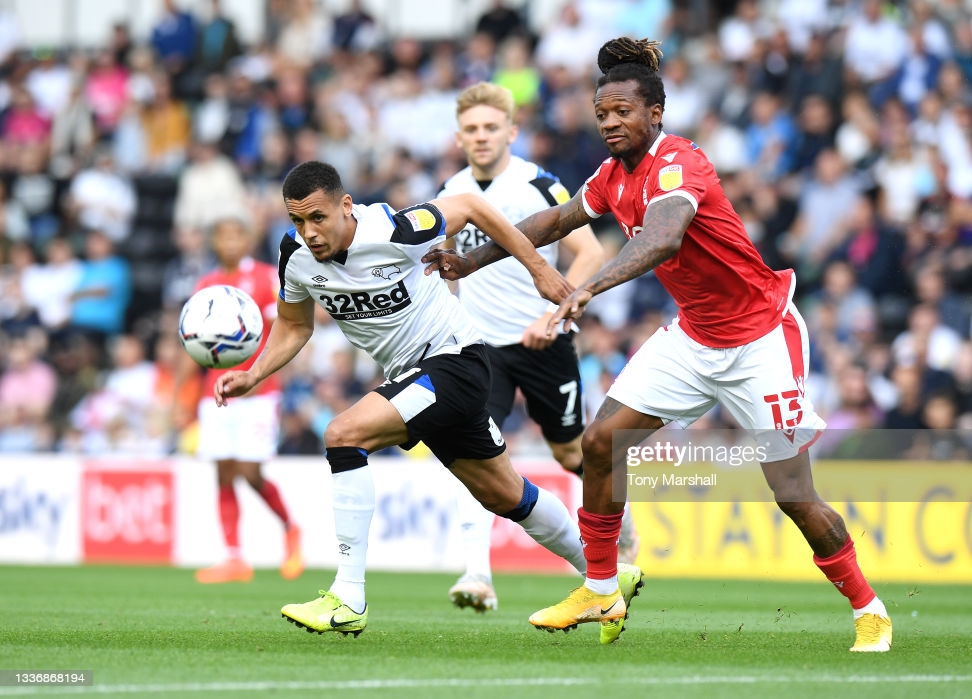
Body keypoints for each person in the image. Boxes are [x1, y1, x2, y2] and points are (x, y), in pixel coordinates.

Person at [423, 37, 892, 652]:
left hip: (761, 339)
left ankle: (869, 608)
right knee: (599, 442)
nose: (610, 123)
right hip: (695, 336)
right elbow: (552, 223)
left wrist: (586, 287)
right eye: (602, 115)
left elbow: (665, 239)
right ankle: (600, 587)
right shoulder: (612, 176)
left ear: (655, 114)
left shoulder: (679, 163)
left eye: (622, 112)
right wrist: (471, 261)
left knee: (794, 495)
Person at [213, 160, 643, 642]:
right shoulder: (294, 255)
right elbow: (295, 326)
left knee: (343, 435)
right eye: (297, 221)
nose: (308, 232)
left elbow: (473, 206)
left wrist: (540, 269)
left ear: (346, 207)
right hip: (418, 378)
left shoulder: (393, 229)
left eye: (318, 218)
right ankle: (607, 575)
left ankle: (348, 596)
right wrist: (252, 374)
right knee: (504, 494)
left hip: (456, 361)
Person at [438, 81, 638, 614]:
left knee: (571, 452)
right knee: (471, 451)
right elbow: (448, 271)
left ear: (511, 131)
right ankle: (477, 574)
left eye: (490, 127)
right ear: (459, 137)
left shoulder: (539, 185)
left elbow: (590, 252)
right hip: (481, 349)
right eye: (472, 130)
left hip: (542, 341)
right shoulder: (452, 193)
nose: (481, 137)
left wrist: (553, 316)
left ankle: (625, 529)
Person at [192, 216, 303, 584]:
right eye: (222, 234)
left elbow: (285, 329)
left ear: (247, 239)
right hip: (217, 390)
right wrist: (183, 394)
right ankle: (233, 557)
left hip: (259, 392)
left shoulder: (265, 277)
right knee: (223, 472)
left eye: (236, 234)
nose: (229, 242)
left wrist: (268, 376)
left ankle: (290, 528)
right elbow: (190, 341)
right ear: (215, 241)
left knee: (250, 472)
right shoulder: (206, 284)